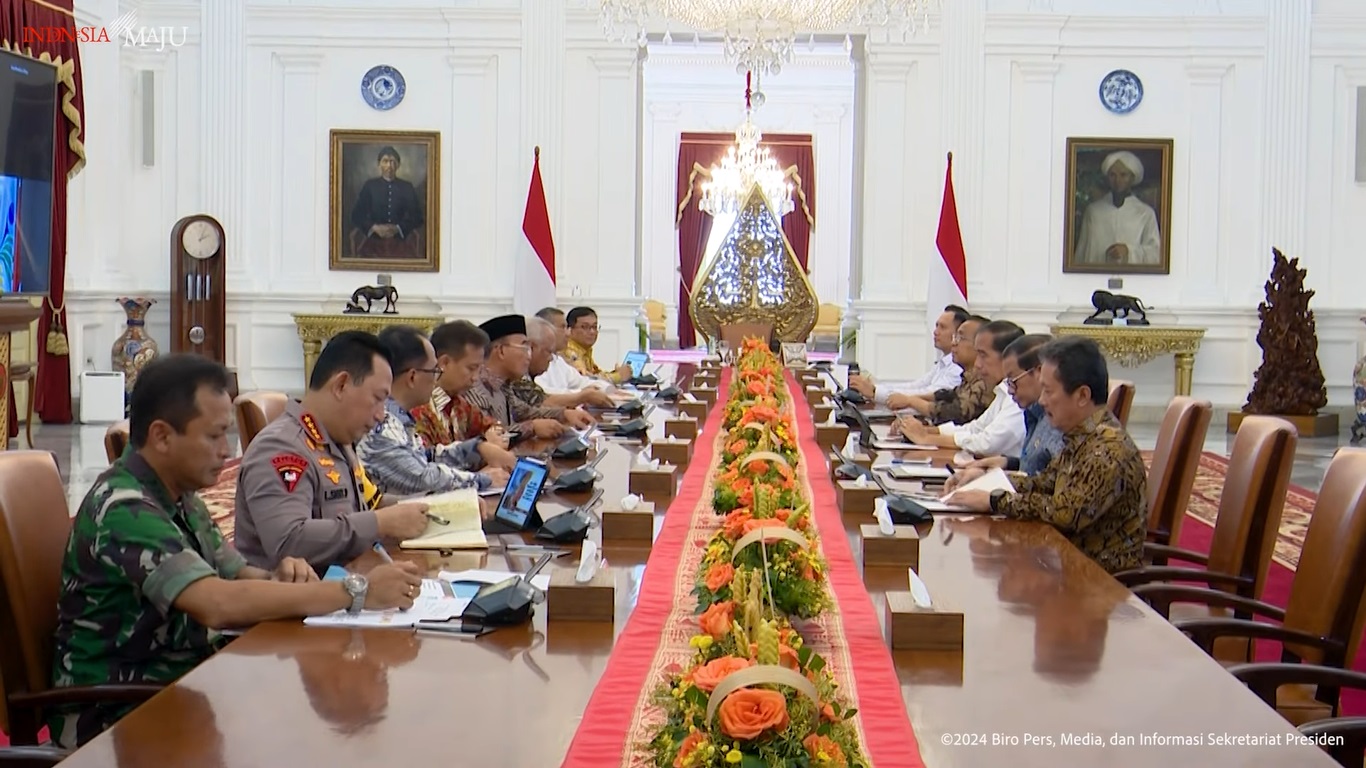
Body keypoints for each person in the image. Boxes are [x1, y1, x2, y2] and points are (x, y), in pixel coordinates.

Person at [49, 354, 422, 748]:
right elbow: (217, 603)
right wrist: (356, 592)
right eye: (213, 436)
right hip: (116, 713)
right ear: (161, 436)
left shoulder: (177, 494)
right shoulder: (125, 507)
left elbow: (240, 575)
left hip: (184, 680)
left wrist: (281, 579)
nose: (226, 452)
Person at [947, 337, 1148, 573]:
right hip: (1064, 566)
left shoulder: (1106, 448)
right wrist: (985, 479)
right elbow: (1043, 483)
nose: (1041, 401)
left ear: (1082, 395)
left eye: (1049, 391)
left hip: (1099, 584)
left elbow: (1064, 513)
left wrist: (994, 500)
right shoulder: (1081, 436)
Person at [235, 331, 432, 571]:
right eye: (378, 399)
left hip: (347, 586)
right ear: (341, 385)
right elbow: (288, 541)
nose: (381, 414)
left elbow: (368, 506)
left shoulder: (339, 440)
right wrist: (379, 524)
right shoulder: (282, 448)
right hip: (299, 602)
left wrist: (436, 507)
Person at [357, 325, 511, 497]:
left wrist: (477, 448)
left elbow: (426, 456)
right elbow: (422, 477)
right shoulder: (382, 425)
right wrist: (482, 479)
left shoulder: (398, 418)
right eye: (434, 371)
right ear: (413, 377)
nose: (437, 378)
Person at [945, 334, 1065, 491]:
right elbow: (1036, 470)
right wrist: (1007, 463)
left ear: (1039, 373)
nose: (1009, 390)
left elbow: (1050, 490)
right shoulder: (1034, 414)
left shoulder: (1060, 421)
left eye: (1013, 381)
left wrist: (992, 494)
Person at [897, 320, 1025, 457]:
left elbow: (987, 444)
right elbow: (975, 428)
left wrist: (927, 438)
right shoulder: (1002, 392)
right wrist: (924, 431)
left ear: (1007, 358)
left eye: (983, 355)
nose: (977, 364)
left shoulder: (1019, 398)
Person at [464, 314, 593, 437]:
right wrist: (532, 427)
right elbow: (488, 435)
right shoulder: (475, 389)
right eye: (524, 346)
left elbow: (526, 412)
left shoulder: (503, 385)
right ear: (501, 351)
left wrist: (564, 414)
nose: (529, 355)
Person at [849, 305, 967, 407]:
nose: (936, 331)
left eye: (943, 327)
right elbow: (916, 385)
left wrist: (876, 392)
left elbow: (930, 394)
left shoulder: (958, 368)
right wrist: (875, 387)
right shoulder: (943, 362)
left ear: (958, 335)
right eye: (936, 326)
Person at [1072, 151, 1161, 267]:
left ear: (1132, 178)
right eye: (1112, 175)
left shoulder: (1145, 213)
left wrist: (1128, 251)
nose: (1117, 180)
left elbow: (1155, 254)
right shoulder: (1093, 211)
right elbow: (1081, 254)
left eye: (1123, 175)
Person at [349, 146, 424, 260]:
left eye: (393, 162)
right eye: (385, 161)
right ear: (379, 164)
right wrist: (374, 227)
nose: (389, 166)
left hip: (401, 240)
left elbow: (418, 217)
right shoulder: (370, 186)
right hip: (373, 240)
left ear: (398, 165)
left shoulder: (407, 187)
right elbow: (356, 215)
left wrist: (398, 228)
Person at [533, 306, 612, 394]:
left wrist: (608, 389)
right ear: (546, 329)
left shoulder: (558, 360)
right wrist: (581, 393)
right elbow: (542, 393)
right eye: (563, 327)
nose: (568, 333)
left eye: (595, 327)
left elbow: (582, 382)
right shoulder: (535, 360)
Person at [562, 306, 632, 383]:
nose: (592, 332)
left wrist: (617, 373)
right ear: (570, 330)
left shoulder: (585, 350)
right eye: (585, 327)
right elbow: (585, 380)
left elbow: (595, 374)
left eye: (594, 327)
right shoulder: (569, 351)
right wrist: (619, 376)